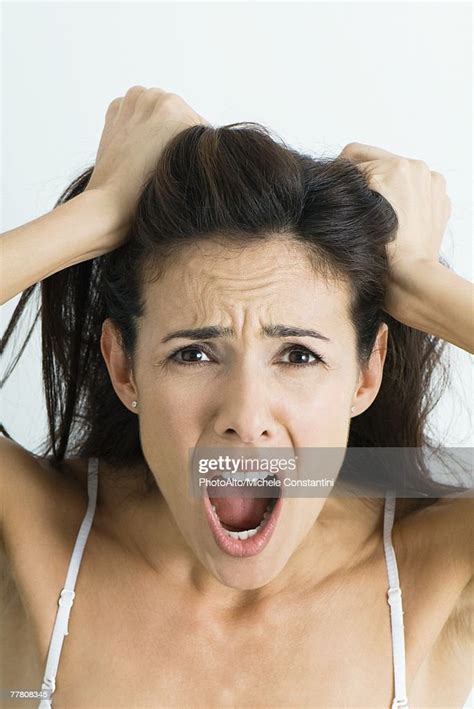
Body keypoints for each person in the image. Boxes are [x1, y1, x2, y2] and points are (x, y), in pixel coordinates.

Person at [0, 85, 472, 709]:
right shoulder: (27, 539)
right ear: (125, 369)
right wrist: (99, 213)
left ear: (365, 373)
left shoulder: (443, 573)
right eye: (193, 354)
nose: (246, 419)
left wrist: (418, 276)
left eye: (299, 355)